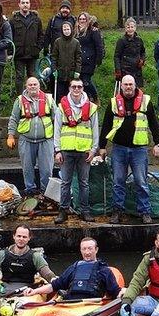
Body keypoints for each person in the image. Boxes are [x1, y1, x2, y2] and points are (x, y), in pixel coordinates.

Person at [98, 75, 159, 224]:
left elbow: (154, 123)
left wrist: (158, 143)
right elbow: (106, 125)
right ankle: (117, 211)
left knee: (141, 182)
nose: (128, 87)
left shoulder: (146, 101)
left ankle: (145, 211)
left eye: (130, 84)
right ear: (121, 86)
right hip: (119, 148)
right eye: (126, 84)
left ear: (135, 86)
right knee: (117, 181)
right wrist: (102, 147)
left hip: (139, 150)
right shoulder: (114, 103)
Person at [53, 78, 99, 223]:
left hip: (84, 152)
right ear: (69, 88)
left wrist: (93, 150)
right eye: (74, 87)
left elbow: (95, 129)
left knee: (84, 183)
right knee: (65, 182)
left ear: (83, 89)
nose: (77, 89)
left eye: (79, 87)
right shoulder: (61, 107)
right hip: (66, 150)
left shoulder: (91, 108)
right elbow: (57, 129)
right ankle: (63, 211)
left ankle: (85, 211)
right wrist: (57, 150)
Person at [22, 236, 122, 300]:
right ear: (80, 250)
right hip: (71, 304)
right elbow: (55, 285)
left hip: (92, 305)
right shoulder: (74, 267)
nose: (87, 252)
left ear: (96, 250)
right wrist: (34, 291)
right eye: (84, 249)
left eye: (90, 249)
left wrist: (126, 294)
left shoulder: (104, 270)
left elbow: (115, 292)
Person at [7, 77, 57, 196]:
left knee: (46, 169)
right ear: (26, 87)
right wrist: (10, 135)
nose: (33, 86)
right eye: (30, 85)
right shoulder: (19, 100)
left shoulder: (49, 99)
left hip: (46, 139)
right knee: (27, 168)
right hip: (26, 139)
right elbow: (14, 118)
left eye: (35, 84)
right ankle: (30, 191)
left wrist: (58, 139)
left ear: (39, 86)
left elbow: (58, 119)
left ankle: (46, 193)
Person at [0, 225, 56, 289]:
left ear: (29, 238)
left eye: (24, 237)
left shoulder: (35, 256)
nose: (21, 239)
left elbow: (47, 273)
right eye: (19, 236)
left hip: (27, 288)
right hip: (5, 286)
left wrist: (54, 280)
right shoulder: (1, 254)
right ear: (14, 236)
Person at [9, 0, 43, 96]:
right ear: (19, 5)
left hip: (32, 53)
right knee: (19, 76)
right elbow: (9, 38)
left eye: (27, 3)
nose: (25, 5)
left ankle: (33, 96)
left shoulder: (36, 19)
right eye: (23, 3)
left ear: (29, 5)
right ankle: (20, 98)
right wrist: (11, 52)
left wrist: (38, 48)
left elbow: (41, 35)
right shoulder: (13, 20)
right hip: (19, 53)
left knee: (32, 76)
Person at [75, 13, 104, 101]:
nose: (82, 21)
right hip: (79, 61)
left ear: (87, 20)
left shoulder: (93, 31)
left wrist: (98, 60)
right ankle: (86, 99)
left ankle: (95, 98)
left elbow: (99, 46)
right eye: (80, 19)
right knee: (80, 81)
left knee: (86, 81)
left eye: (84, 19)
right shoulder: (76, 31)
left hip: (89, 61)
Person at [50, 21, 81, 100]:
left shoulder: (76, 42)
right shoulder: (58, 42)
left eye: (68, 29)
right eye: (64, 29)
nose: (66, 31)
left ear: (71, 29)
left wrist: (77, 71)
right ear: (62, 30)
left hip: (71, 73)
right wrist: (54, 69)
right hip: (60, 72)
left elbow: (78, 58)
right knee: (60, 94)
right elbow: (54, 57)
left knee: (70, 93)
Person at [114, 17, 145, 90]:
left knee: (138, 91)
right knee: (126, 90)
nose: (130, 29)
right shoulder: (121, 41)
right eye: (128, 27)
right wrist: (118, 70)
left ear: (135, 28)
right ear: (125, 28)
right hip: (125, 70)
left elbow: (143, 52)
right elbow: (117, 56)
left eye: (132, 27)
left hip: (137, 70)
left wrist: (142, 60)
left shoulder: (139, 40)